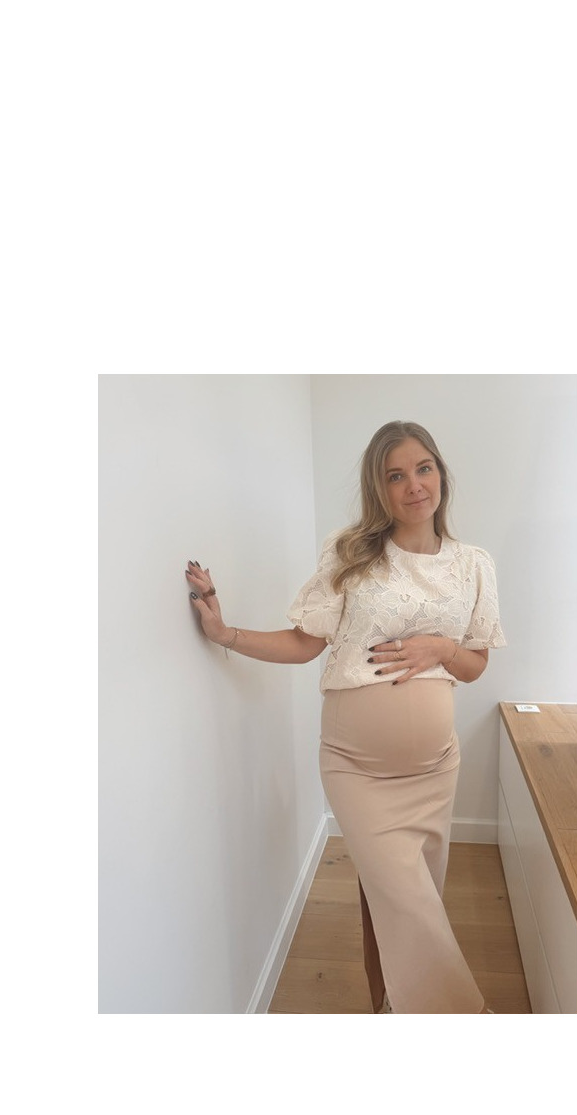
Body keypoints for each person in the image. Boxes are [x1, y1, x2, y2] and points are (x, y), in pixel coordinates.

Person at [184, 420, 507, 1013]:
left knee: (407, 904)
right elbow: (305, 643)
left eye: (423, 468)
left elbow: (475, 665)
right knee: (410, 907)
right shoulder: (352, 553)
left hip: (435, 770)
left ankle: (388, 1007)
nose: (414, 486)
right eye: (396, 476)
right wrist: (226, 633)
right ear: (378, 489)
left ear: (441, 473)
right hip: (357, 769)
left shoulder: (474, 565)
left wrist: (441, 648)